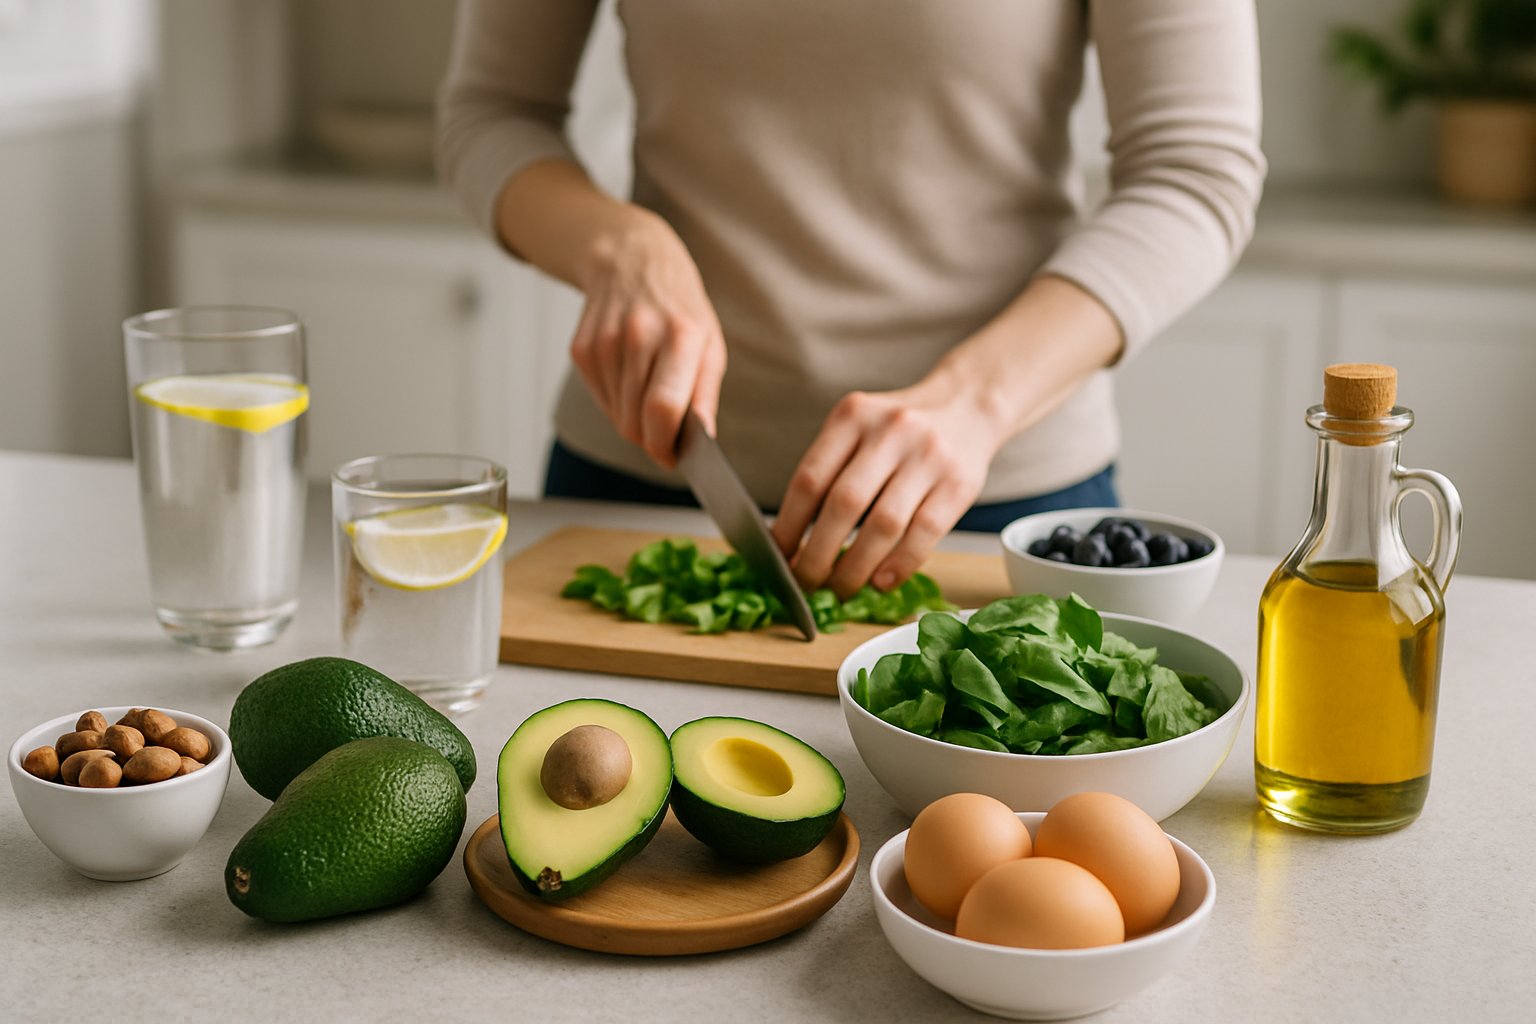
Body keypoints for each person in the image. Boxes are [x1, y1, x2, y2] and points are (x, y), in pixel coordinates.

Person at [437, 1, 1264, 598]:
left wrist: (977, 400)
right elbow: (492, 112)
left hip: (995, 504)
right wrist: (617, 245)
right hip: (649, 474)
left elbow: (1196, 170)